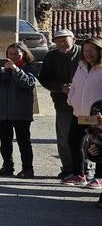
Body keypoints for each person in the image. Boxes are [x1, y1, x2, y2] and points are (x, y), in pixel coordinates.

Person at [0, 43, 38, 178]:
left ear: (24, 54)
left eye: (17, 54)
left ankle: (28, 169)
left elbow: (27, 83)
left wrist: (16, 69)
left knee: (23, 142)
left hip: (21, 112)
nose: (13, 56)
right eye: (10, 54)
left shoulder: (29, 67)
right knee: (5, 142)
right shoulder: (3, 68)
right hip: (4, 111)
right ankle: (7, 166)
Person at [39, 29, 84, 183]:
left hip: (85, 103)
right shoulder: (51, 57)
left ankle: (84, 169)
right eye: (58, 41)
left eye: (65, 40)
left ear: (74, 39)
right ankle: (68, 169)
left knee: (86, 138)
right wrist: (60, 87)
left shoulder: (85, 54)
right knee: (64, 137)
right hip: (62, 103)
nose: (61, 43)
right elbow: (44, 79)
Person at [66, 37, 102, 190]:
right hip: (79, 113)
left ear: (99, 51)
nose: (88, 54)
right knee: (74, 141)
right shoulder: (80, 67)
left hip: (98, 116)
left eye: (92, 50)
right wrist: (71, 100)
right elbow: (74, 86)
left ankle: (99, 177)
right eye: (85, 51)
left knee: (98, 146)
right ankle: (79, 174)